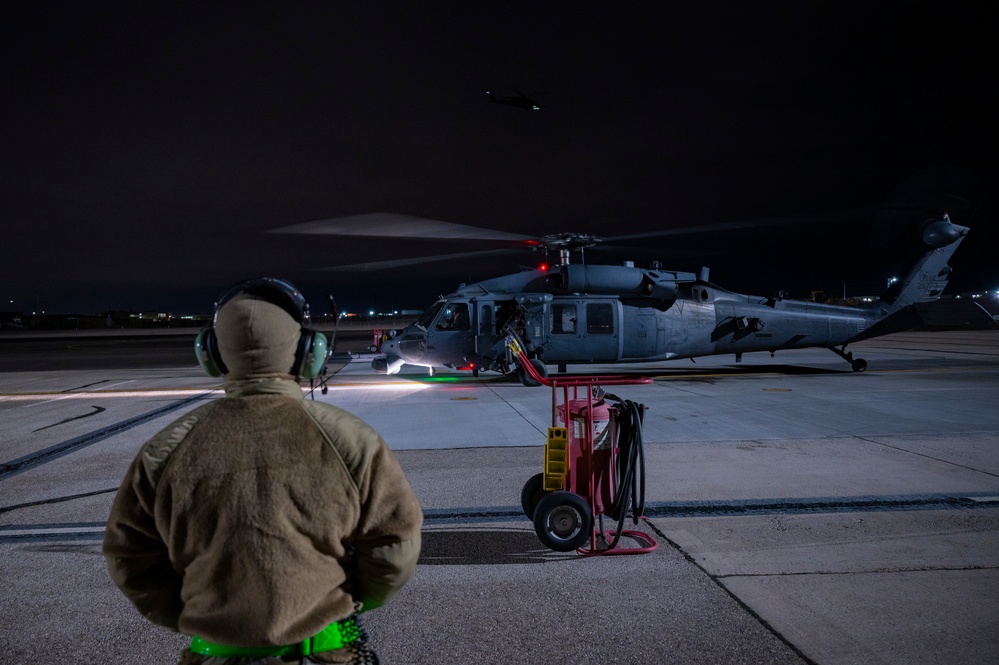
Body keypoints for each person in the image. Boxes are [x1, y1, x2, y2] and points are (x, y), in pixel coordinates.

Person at [103, 277, 423, 665]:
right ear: (309, 352)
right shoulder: (351, 440)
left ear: (212, 354)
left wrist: (199, 616)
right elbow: (394, 547)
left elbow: (129, 558)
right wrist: (345, 601)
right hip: (322, 653)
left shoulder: (164, 450)